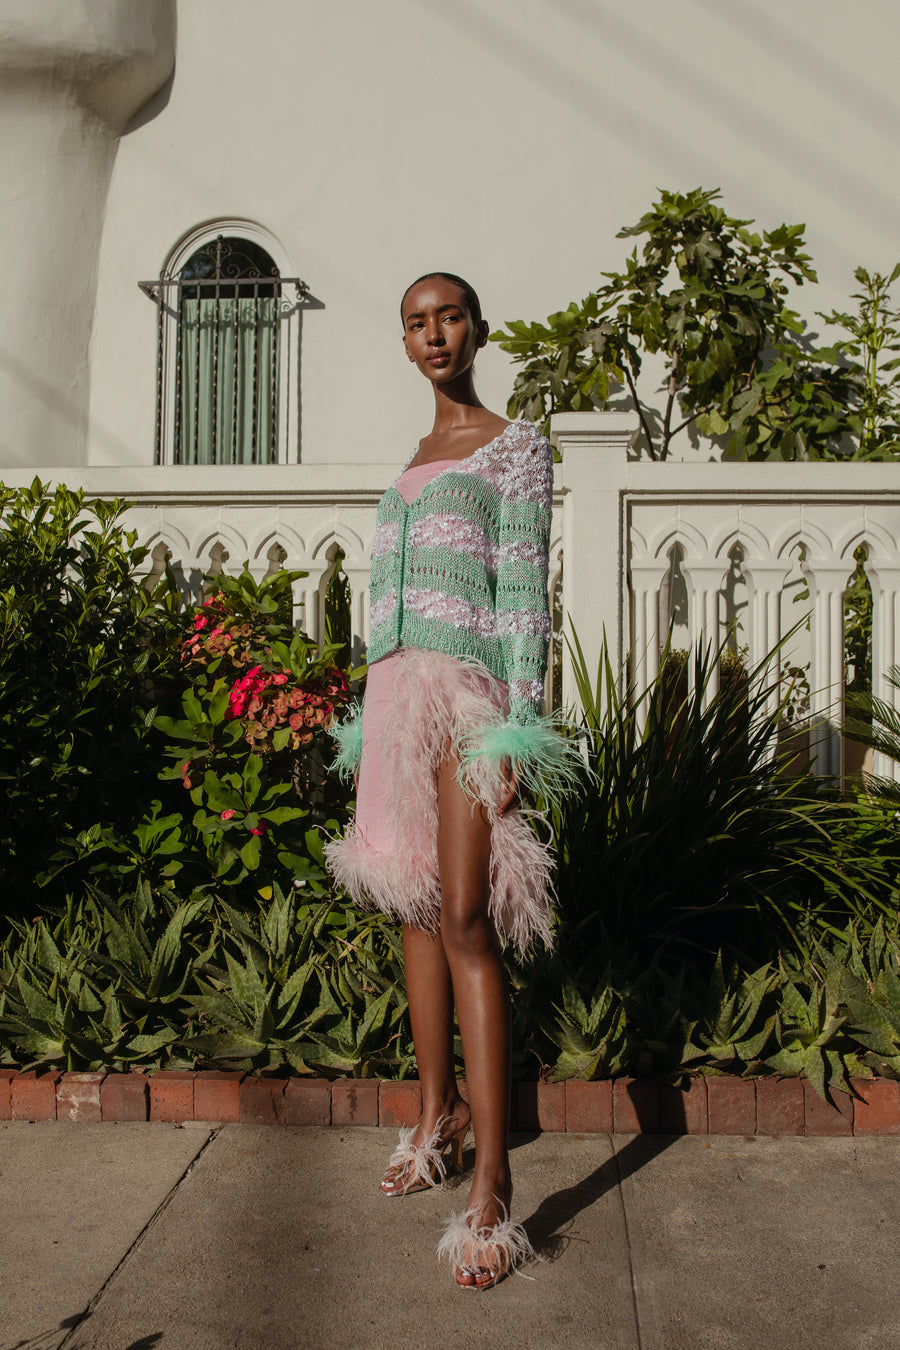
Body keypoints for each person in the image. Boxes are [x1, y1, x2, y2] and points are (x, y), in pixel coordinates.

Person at [325, 272, 579, 1291]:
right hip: (393, 695)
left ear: (480, 329)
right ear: (406, 342)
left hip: (468, 697)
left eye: (450, 317)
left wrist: (515, 727)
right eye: (416, 323)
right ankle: (436, 1116)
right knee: (417, 907)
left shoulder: (513, 447)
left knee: (469, 916)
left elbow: (523, 591)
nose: (436, 335)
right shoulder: (413, 459)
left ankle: (497, 1181)